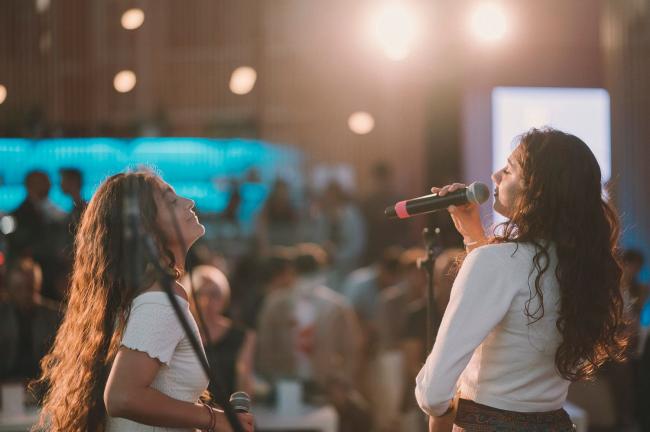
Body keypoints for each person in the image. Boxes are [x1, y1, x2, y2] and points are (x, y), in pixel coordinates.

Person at [415, 128, 628, 431]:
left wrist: (440, 409)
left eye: (509, 169)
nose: (495, 176)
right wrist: (474, 239)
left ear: (538, 189)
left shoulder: (496, 262)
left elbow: (434, 392)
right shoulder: (581, 268)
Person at [34, 171, 253, 432]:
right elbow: (122, 397)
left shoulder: (142, 296)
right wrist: (214, 419)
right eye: (171, 201)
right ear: (145, 227)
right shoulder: (161, 298)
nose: (189, 202)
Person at [182, 265, 256, 397]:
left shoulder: (242, 336)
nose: (206, 301)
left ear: (224, 298)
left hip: (223, 407)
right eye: (199, 293)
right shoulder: (178, 332)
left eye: (214, 294)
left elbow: (244, 383)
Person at [0, 257, 60, 383]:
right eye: (18, 288)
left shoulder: (55, 316)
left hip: (44, 382)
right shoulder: (3, 315)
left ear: (38, 286)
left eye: (29, 288)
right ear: (10, 289)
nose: (24, 294)